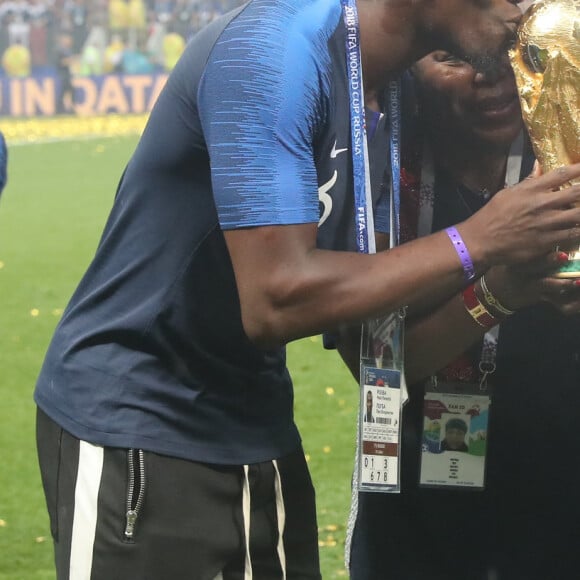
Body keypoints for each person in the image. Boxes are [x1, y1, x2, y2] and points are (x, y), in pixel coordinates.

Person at [34, 1, 580, 578]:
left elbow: (380, 342)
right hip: (142, 420)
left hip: (256, 421)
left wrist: (500, 288)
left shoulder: (387, 98)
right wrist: (481, 238)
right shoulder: (273, 51)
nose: (519, 6)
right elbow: (274, 299)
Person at [347, 47, 580, 580]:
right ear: (409, 69)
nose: (492, 76)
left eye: (515, 52)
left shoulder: (566, 154)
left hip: (560, 489)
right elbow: (379, 368)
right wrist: (497, 292)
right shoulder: (383, 178)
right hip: (415, 512)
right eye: (452, 57)